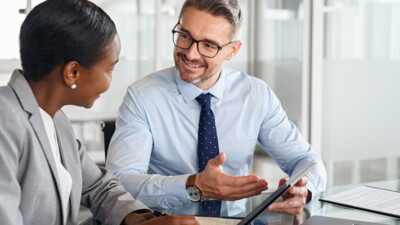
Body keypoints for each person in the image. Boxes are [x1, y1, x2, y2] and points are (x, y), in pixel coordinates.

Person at [106, 0, 327, 217]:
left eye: (208, 45)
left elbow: (308, 161)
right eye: (184, 36)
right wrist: (194, 186)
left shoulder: (256, 95)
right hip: (168, 223)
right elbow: (120, 182)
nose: (190, 54)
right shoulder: (142, 96)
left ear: (232, 51)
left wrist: (304, 190)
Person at [0, 0, 199, 225]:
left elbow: (98, 186)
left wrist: (136, 219)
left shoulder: (55, 120)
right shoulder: (5, 120)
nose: (110, 82)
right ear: (73, 72)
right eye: (109, 69)